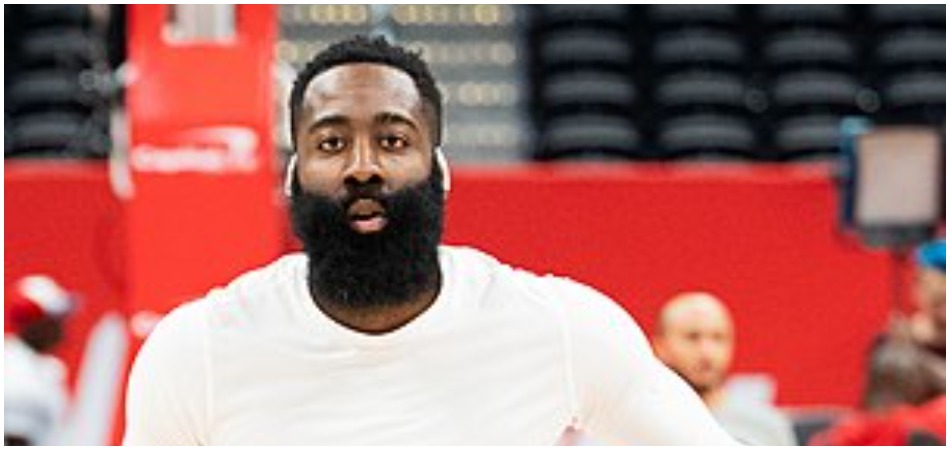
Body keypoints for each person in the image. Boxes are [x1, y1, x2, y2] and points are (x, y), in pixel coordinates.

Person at [122, 35, 738, 445]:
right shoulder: (195, 352)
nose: (363, 167)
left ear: (438, 172)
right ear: (292, 179)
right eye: (331, 143)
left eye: (393, 140)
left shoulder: (563, 329)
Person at [653, 292, 796, 445]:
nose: (706, 352)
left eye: (718, 338)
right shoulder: (641, 421)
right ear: (660, 346)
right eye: (692, 337)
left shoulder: (767, 425)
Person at [5, 275, 75, 446]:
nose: (62, 327)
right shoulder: (13, 370)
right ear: (32, 323)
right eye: (55, 320)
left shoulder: (43, 367)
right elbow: (15, 439)